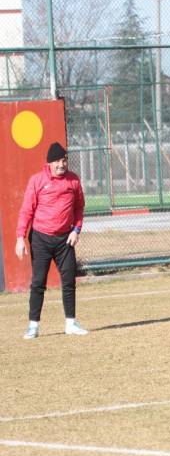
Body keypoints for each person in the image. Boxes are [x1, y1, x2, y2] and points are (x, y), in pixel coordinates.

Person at [15, 142, 87, 339]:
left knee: (69, 281)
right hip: (40, 239)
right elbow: (26, 210)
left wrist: (76, 230)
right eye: (57, 161)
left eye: (64, 160)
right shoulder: (37, 181)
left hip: (65, 240)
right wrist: (20, 237)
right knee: (38, 282)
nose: (61, 164)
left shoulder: (73, 180)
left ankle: (71, 324)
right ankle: (33, 326)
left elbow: (79, 207)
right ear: (49, 163)